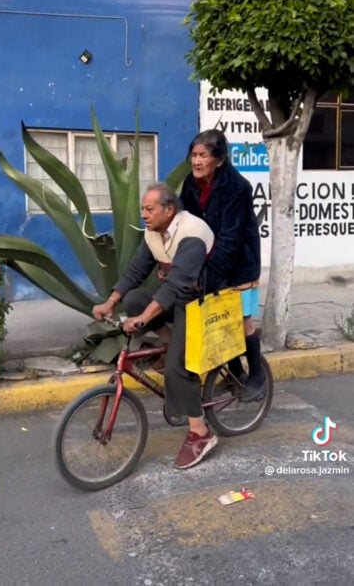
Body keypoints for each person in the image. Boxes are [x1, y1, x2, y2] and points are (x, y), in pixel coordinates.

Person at [92, 182, 218, 470]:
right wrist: (110, 302)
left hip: (199, 302)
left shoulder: (192, 234)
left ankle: (201, 433)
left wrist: (144, 319)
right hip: (177, 297)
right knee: (135, 299)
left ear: (169, 209)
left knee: (177, 367)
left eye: (149, 209)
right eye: (142, 210)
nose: (144, 215)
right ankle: (168, 342)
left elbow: (174, 287)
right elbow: (136, 271)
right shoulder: (153, 233)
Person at [180, 129, 264, 402]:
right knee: (219, 322)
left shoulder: (236, 187)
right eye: (194, 155)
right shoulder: (191, 184)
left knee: (241, 319)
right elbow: (185, 223)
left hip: (239, 261)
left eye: (203, 155)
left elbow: (232, 238)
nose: (196, 161)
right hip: (210, 261)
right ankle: (235, 374)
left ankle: (257, 377)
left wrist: (208, 274)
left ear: (219, 159)